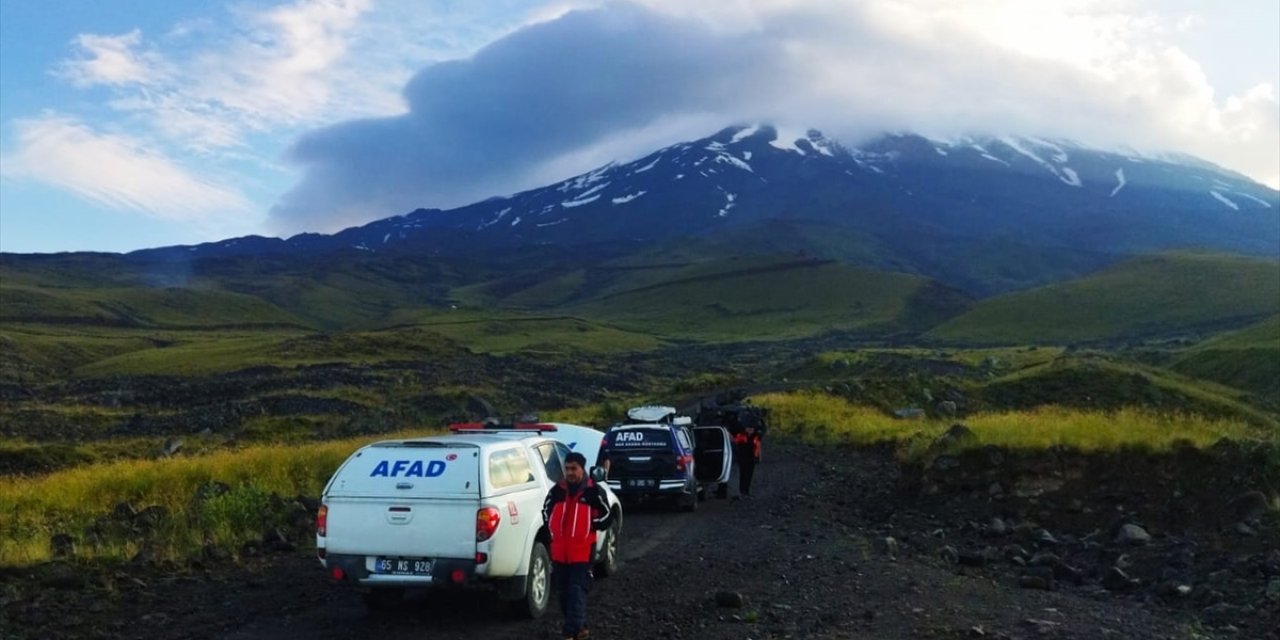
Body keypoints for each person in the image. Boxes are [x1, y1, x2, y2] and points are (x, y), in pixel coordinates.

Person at [542, 451, 612, 640]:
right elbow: (545, 511)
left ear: (582, 469)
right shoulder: (557, 490)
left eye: (574, 469)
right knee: (563, 595)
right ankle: (581, 628)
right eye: (567, 469)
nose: (570, 473)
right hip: (559, 552)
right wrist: (552, 529)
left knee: (576, 590)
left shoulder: (593, 491)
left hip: (582, 551)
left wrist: (591, 525)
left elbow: (607, 515)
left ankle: (570, 633)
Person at [732, 423, 763, 498]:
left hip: (752, 457)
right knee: (743, 473)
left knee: (749, 474)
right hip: (742, 456)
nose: (750, 431)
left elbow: (762, 431)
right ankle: (742, 491)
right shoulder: (740, 435)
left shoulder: (756, 435)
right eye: (748, 429)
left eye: (751, 429)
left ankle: (746, 491)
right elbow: (734, 442)